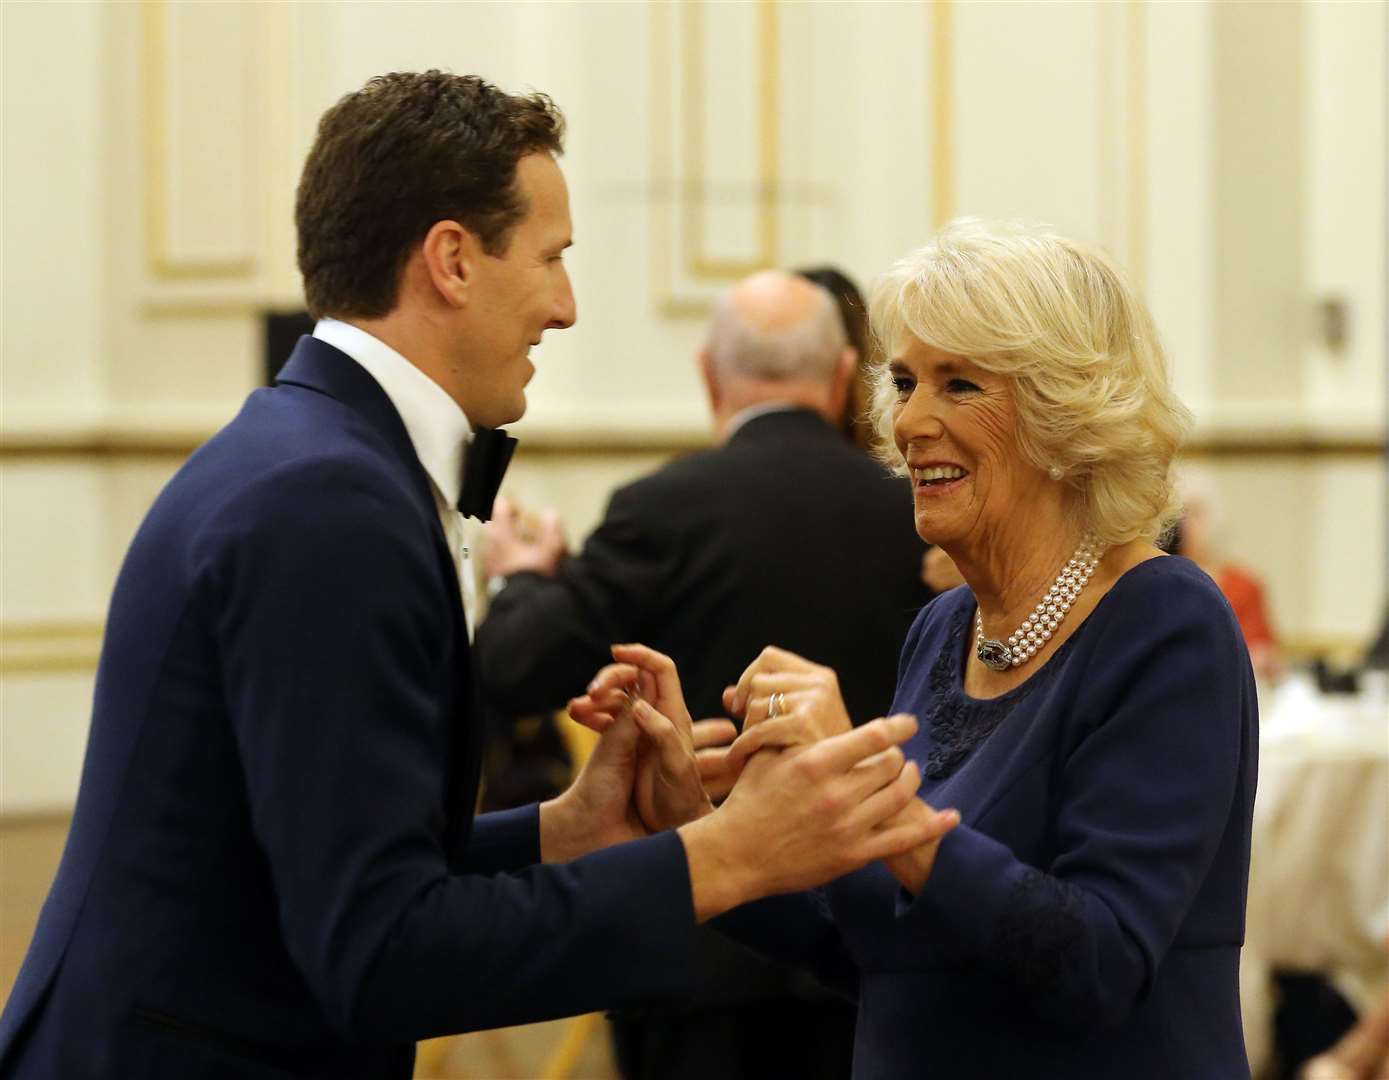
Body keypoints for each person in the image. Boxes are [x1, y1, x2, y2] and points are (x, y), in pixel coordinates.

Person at [0, 72, 951, 1079]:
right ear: (452, 260)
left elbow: (324, 859)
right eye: (552, 258)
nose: (568, 307)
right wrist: (730, 855)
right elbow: (378, 955)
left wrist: (563, 831)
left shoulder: (305, 453)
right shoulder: (330, 503)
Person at [580, 219, 1260, 1078]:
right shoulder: (944, 629)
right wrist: (692, 822)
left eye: (959, 385)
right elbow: (873, 952)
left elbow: (1100, 962)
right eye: (904, 382)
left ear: (1064, 410)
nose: (910, 420)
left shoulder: (1163, 620)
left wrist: (872, 795)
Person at [478, 269, 932, 1079]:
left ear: (706, 375)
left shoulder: (661, 508)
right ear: (839, 379)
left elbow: (515, 668)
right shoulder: (916, 511)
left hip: (695, 943)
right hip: (868, 945)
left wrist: (520, 577)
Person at [1170, 468, 1282, 680]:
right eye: (1178, 514)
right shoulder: (1157, 584)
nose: (1184, 524)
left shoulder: (1245, 585)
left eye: (1194, 513)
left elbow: (1267, 656)